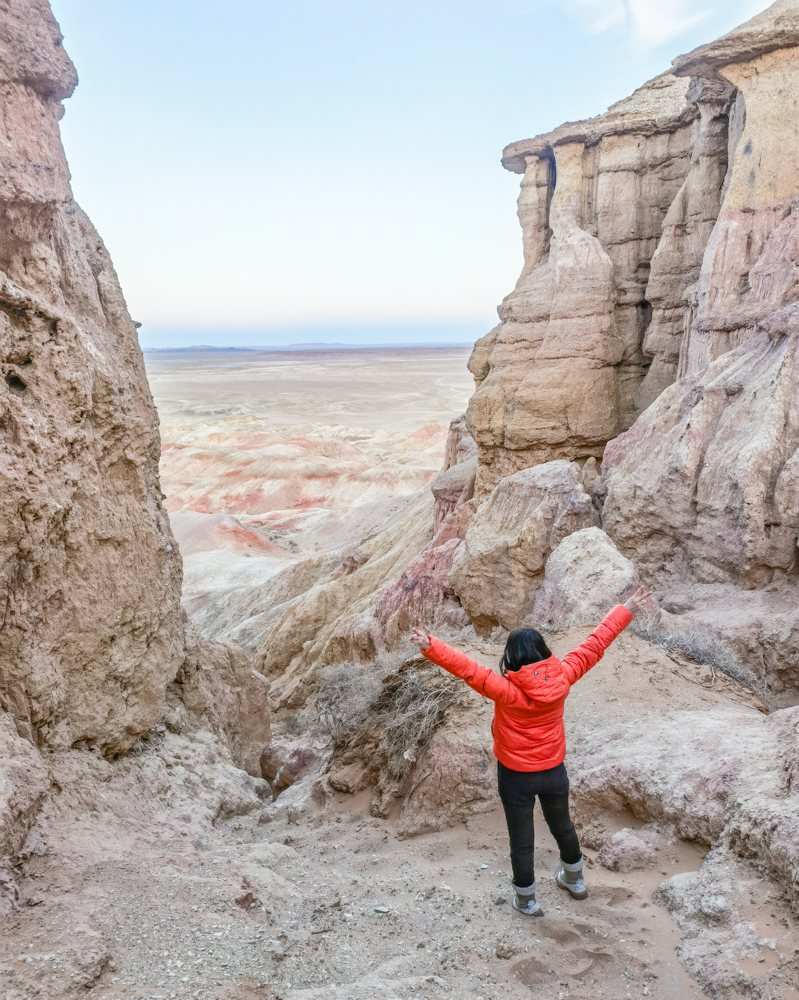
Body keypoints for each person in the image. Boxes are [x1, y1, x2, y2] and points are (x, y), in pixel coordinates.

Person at [409, 586, 653, 917]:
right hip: (554, 772)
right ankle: (575, 880)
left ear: (512, 658)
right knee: (563, 825)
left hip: (516, 776)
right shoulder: (564, 675)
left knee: (522, 839)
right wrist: (625, 609)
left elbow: (468, 669)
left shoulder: (505, 690)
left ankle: (526, 900)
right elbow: (595, 644)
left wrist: (430, 646)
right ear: (543, 651)